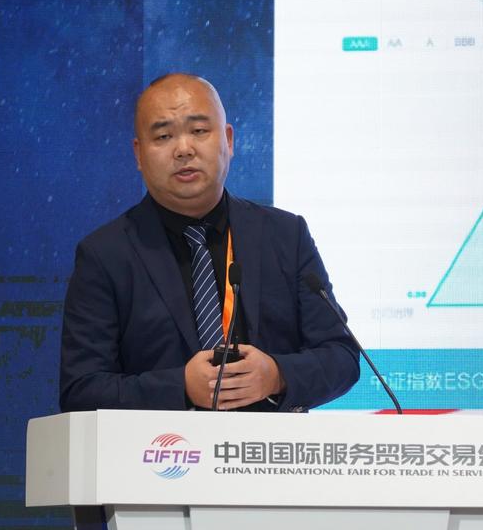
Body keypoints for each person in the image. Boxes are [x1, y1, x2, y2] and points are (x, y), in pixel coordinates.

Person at [59, 74, 360, 412]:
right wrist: (181, 387)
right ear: (139, 154)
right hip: (159, 444)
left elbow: (342, 356)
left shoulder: (286, 236)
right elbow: (81, 389)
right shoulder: (105, 255)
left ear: (228, 140)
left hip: (268, 444)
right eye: (163, 136)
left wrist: (277, 375)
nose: (184, 149)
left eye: (199, 130)